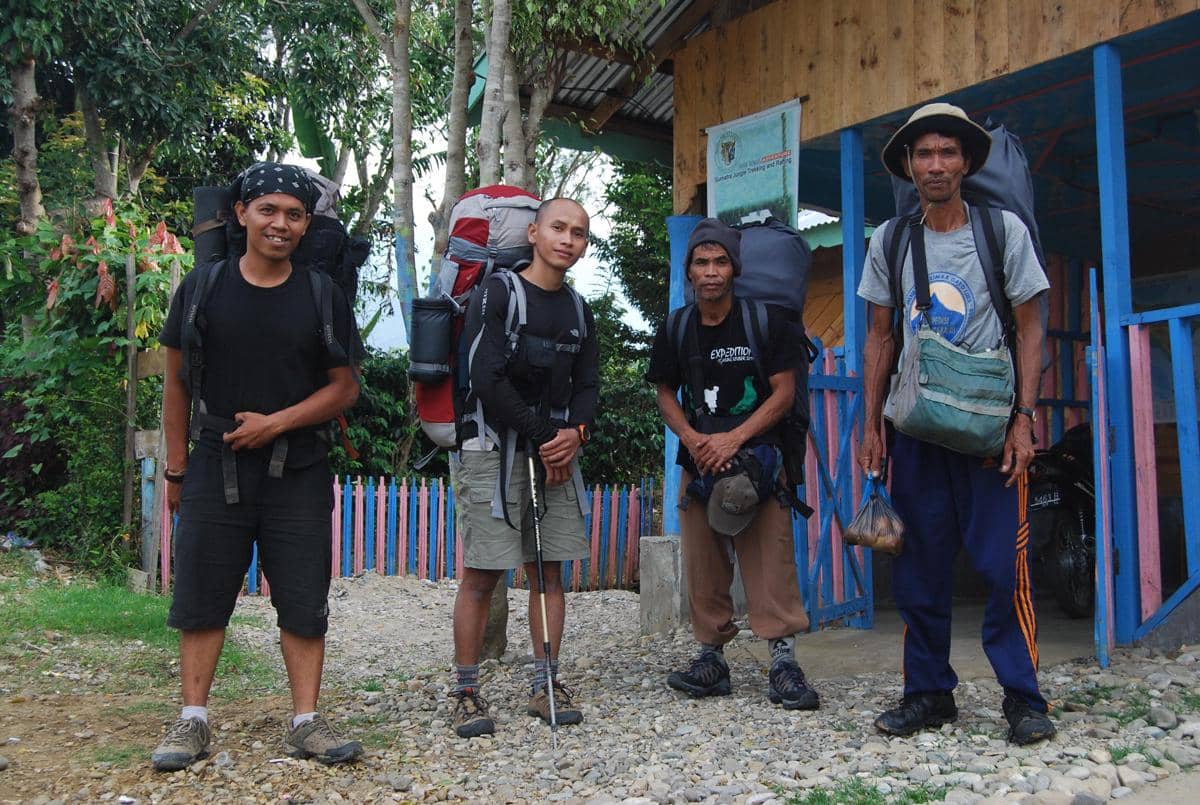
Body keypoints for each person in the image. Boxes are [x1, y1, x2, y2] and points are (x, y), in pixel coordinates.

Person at [151, 162, 363, 770]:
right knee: (201, 591)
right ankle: (192, 720)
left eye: (294, 214)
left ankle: (305, 721)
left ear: (305, 226)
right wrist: (175, 469)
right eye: (268, 210)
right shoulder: (203, 288)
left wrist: (278, 422)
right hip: (214, 461)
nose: (281, 223)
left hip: (299, 467)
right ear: (240, 214)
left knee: (302, 595)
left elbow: (344, 387)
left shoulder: (321, 295)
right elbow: (175, 384)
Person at [857, 103, 1055, 744]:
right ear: (910, 167)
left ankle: (1023, 697)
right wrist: (870, 425)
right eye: (923, 154)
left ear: (966, 162)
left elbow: (1030, 328)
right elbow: (879, 339)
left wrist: (1024, 418)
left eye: (947, 152)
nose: (936, 164)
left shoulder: (1003, 233)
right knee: (917, 568)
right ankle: (928, 693)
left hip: (991, 430)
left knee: (1003, 567)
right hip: (914, 430)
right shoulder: (889, 239)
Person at [646, 218, 818, 711]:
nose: (711, 271)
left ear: (735, 268)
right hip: (699, 459)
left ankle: (783, 660)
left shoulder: (767, 323)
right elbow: (665, 391)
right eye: (702, 262)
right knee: (704, 558)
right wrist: (694, 438)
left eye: (720, 261)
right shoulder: (677, 327)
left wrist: (735, 438)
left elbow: (785, 392)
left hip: (761, 457)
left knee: (770, 556)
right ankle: (711, 658)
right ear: (689, 272)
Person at [448, 198, 599, 738]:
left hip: (554, 449)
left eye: (578, 233)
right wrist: (547, 438)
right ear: (534, 233)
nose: (568, 240)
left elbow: (588, 385)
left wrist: (574, 435)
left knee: (549, 569)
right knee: (484, 572)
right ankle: (466, 690)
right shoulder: (499, 293)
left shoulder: (579, 309)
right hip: (492, 448)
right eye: (558, 228)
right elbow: (485, 377)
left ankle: (546, 682)